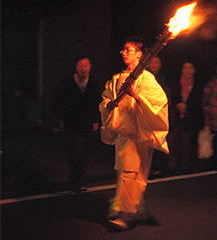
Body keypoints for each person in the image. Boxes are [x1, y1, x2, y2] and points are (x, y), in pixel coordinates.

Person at [99, 36, 169, 231]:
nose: (124, 53)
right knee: (125, 174)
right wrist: (109, 105)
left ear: (139, 54)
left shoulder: (147, 78)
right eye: (123, 50)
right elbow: (105, 101)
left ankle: (126, 215)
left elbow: (158, 105)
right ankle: (132, 210)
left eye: (128, 50)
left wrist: (136, 96)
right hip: (124, 136)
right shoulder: (116, 79)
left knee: (133, 175)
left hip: (139, 136)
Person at [51, 56, 101, 194]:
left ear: (90, 67)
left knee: (85, 153)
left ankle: (80, 181)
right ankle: (75, 182)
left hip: (88, 123)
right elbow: (57, 101)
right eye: (80, 65)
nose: (83, 68)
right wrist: (61, 118)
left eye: (86, 65)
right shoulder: (67, 83)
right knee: (73, 153)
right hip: (71, 122)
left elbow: (98, 103)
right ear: (76, 67)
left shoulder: (94, 83)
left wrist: (96, 120)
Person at [168, 62, 203, 174]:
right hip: (175, 116)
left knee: (187, 142)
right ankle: (172, 167)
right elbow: (171, 95)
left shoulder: (198, 84)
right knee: (173, 141)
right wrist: (178, 104)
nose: (188, 70)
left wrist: (187, 106)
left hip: (190, 116)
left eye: (190, 68)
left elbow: (199, 99)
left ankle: (186, 166)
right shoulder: (175, 82)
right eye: (185, 68)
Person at [147, 56, 170, 178]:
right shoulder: (145, 77)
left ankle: (162, 166)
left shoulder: (164, 77)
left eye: (157, 62)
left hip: (161, 112)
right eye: (152, 62)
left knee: (161, 140)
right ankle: (152, 167)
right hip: (148, 113)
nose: (155, 64)